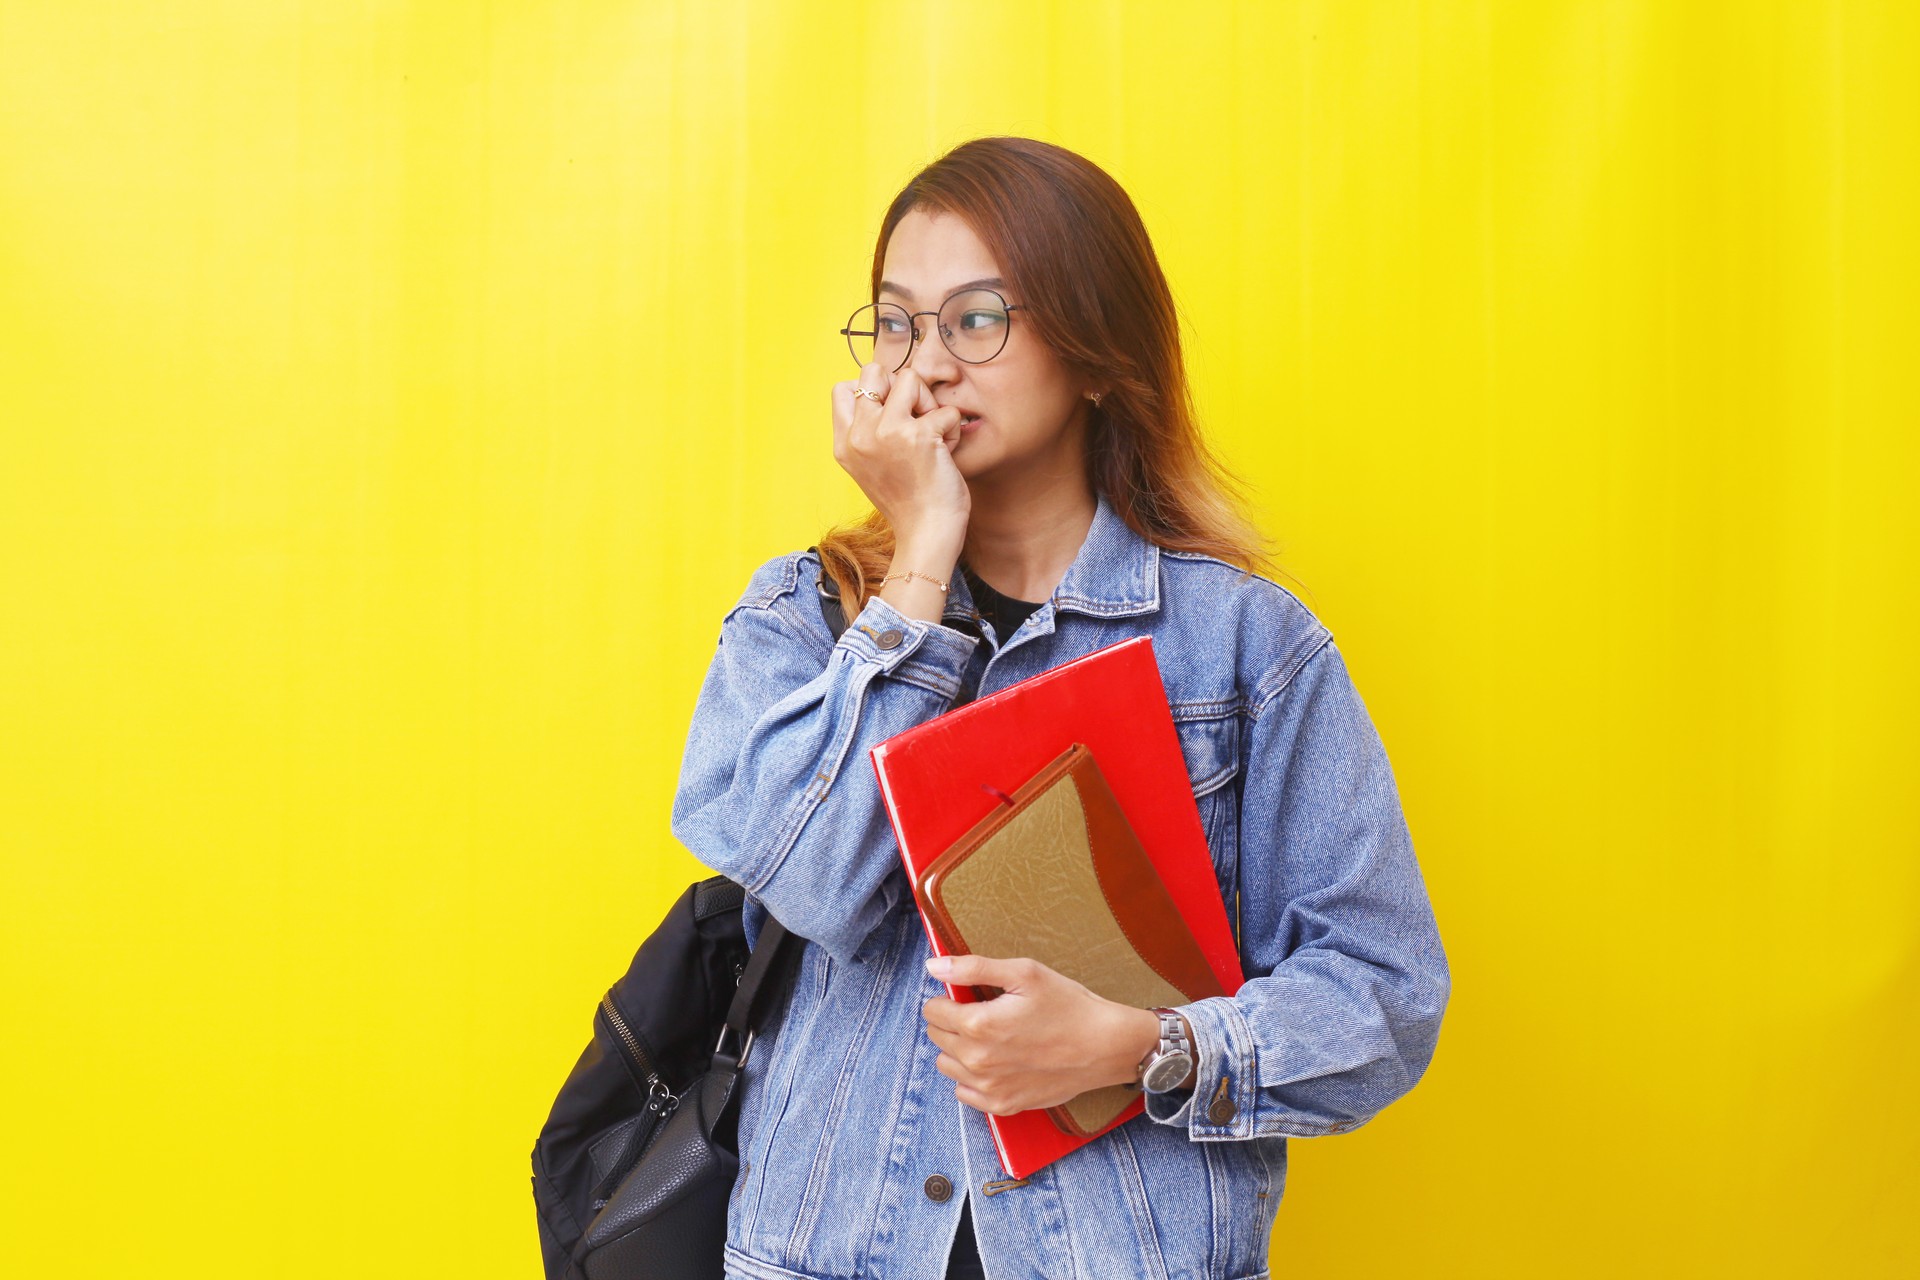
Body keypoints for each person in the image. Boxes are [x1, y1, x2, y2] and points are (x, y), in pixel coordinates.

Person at [671, 136, 1449, 1280]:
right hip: (822, 1254)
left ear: (1094, 355)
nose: (926, 364)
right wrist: (919, 565)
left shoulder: (1244, 647)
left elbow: (1384, 991)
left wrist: (1146, 1045)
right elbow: (815, 878)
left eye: (977, 319)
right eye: (896, 321)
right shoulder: (806, 617)